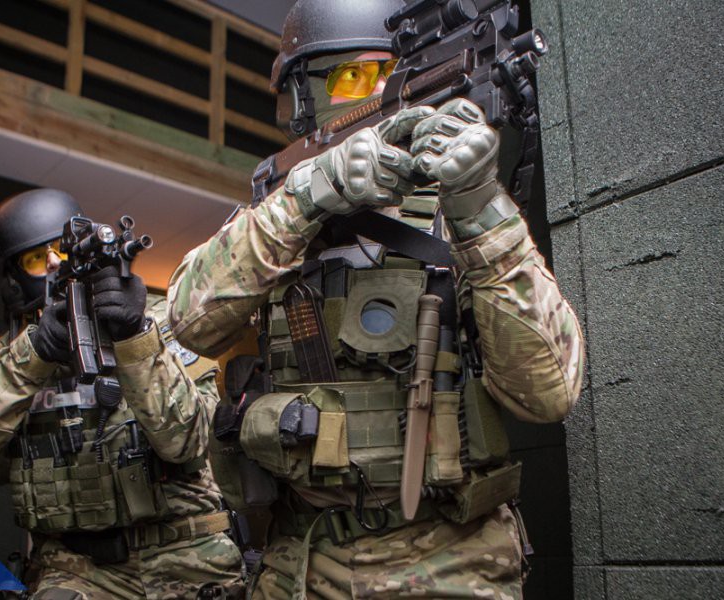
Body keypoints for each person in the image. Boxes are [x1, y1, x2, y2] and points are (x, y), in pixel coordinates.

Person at [167, 0, 585, 598]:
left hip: (448, 563)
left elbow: (548, 394)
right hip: (298, 564)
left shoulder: (456, 217)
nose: (382, 93)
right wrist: (307, 196)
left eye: (391, 74)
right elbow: (189, 321)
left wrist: (479, 207)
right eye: (354, 77)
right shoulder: (276, 225)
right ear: (301, 100)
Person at [0, 189, 244, 599]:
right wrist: (35, 353)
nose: (54, 263)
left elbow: (188, 441)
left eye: (62, 249)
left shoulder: (157, 322)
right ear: (14, 278)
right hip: (75, 568)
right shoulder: (1, 359)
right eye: (36, 258)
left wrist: (134, 337)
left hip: (189, 555)